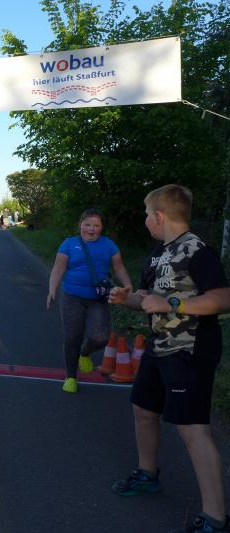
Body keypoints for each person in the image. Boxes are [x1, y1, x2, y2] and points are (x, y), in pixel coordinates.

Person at [108, 185, 230, 533]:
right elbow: (146, 298)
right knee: (143, 408)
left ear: (159, 216)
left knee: (192, 428)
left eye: (147, 214)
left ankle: (216, 520)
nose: (145, 220)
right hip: (159, 345)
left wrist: (173, 303)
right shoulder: (156, 253)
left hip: (190, 348)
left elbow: (223, 298)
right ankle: (148, 475)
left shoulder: (197, 250)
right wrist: (126, 299)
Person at [47, 208, 132, 393]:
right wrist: (52, 290)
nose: (91, 229)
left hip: (98, 299)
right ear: (80, 225)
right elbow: (58, 267)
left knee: (100, 337)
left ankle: (84, 353)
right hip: (71, 297)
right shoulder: (69, 244)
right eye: (87, 225)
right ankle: (71, 377)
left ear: (102, 227)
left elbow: (119, 268)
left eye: (96, 225)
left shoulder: (109, 245)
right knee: (72, 337)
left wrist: (128, 287)